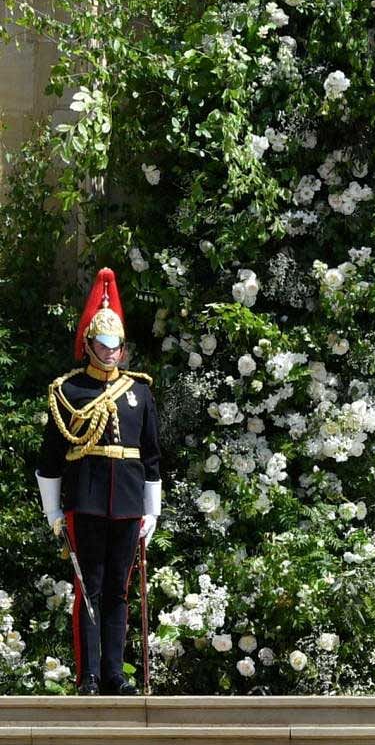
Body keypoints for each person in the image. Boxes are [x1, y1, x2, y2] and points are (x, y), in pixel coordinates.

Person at [34, 268, 163, 696]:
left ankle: (113, 673)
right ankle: (87, 675)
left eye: (116, 346)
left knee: (118, 591)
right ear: (89, 344)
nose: (111, 353)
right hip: (86, 501)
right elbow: (51, 459)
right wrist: (53, 511)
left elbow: (151, 456)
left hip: (127, 503)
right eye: (103, 345)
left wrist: (153, 509)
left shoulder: (139, 392)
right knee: (88, 588)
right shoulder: (69, 391)